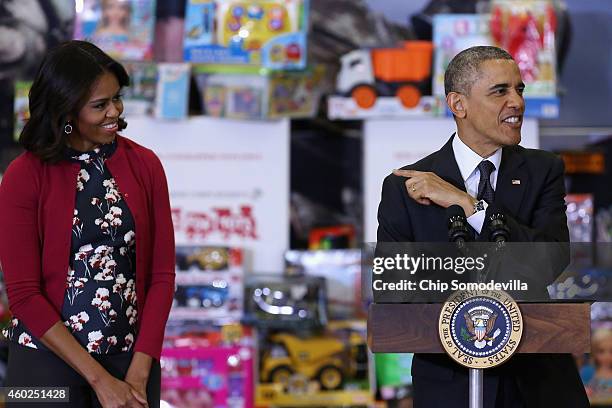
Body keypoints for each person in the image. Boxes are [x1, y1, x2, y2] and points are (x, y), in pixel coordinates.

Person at [376, 46, 588, 407]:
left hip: (536, 381)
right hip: (449, 384)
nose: (517, 102)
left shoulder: (543, 170)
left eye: (519, 90)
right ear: (459, 105)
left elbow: (549, 261)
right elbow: (396, 296)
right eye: (500, 91)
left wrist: (470, 206)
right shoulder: (405, 187)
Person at [0, 40, 175, 407]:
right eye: (100, 105)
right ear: (66, 111)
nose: (115, 111)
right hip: (40, 363)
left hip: (130, 364)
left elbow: (161, 276)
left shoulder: (146, 165)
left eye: (117, 98)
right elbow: (24, 295)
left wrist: (139, 371)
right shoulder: (23, 175)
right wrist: (100, 381)